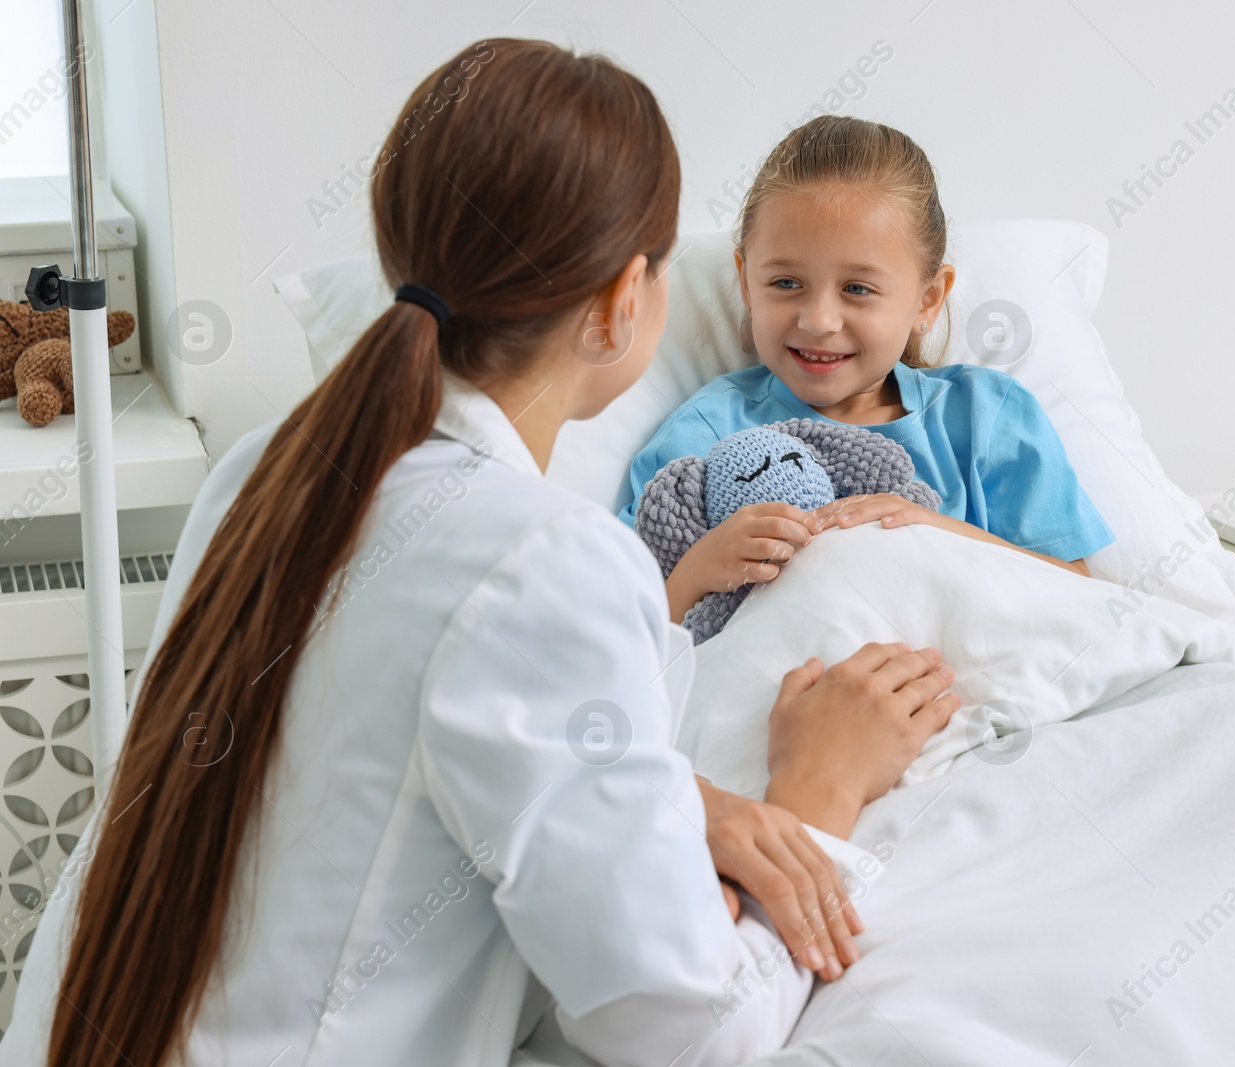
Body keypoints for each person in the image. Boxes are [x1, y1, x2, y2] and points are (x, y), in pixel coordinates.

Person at [0, 40, 960, 1067]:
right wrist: (817, 789)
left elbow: (388, 746)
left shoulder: (260, 469)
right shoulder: (547, 564)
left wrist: (684, 802)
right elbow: (685, 1032)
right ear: (620, 301)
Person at [619, 116, 1115, 624]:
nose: (818, 321)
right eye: (786, 283)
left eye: (858, 289)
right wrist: (698, 571)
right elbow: (624, 631)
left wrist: (935, 531)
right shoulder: (709, 433)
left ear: (928, 300)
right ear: (746, 283)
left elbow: (1078, 597)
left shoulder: (985, 417)